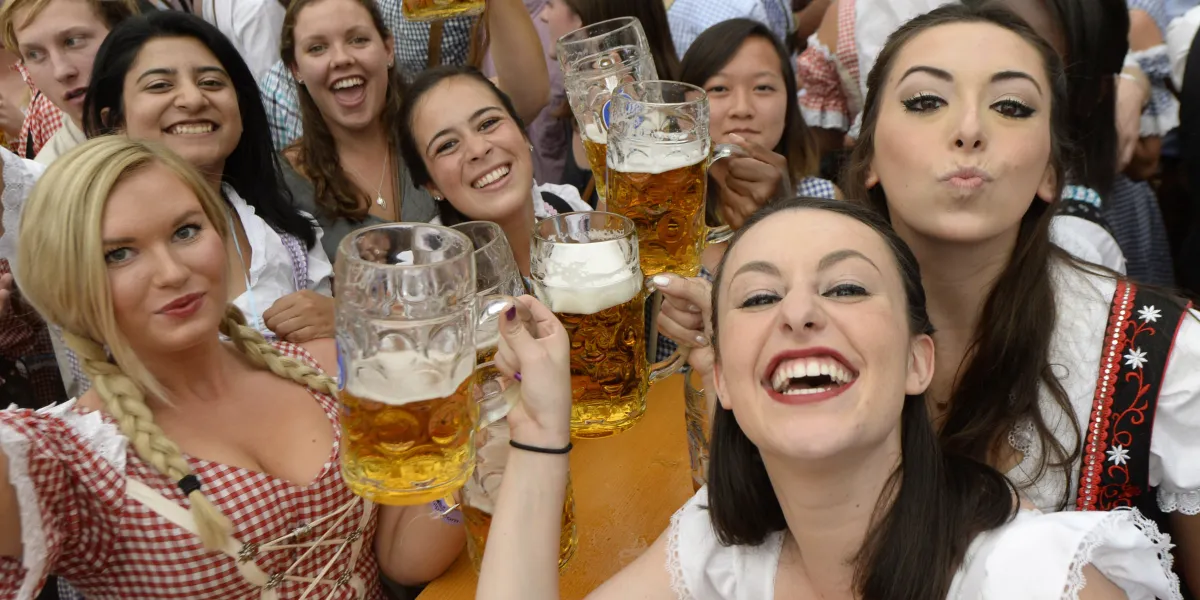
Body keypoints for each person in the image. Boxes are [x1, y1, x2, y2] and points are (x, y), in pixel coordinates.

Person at [475, 197, 1180, 599]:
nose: (799, 312)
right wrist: (539, 432)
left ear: (916, 361)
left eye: (845, 287)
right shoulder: (726, 552)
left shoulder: (1029, 583)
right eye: (757, 295)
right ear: (721, 380)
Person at [0, 136, 464, 599]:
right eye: (118, 253)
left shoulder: (319, 365)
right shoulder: (75, 461)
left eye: (185, 231)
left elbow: (406, 557)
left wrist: (471, 412)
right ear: (67, 283)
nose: (172, 272)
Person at [84, 11, 334, 345]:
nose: (193, 99)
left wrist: (341, 321)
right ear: (115, 121)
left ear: (241, 110)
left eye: (211, 82)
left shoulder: (289, 234)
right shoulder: (89, 245)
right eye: (160, 85)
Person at [282, 0, 549, 260]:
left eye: (358, 39)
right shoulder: (283, 181)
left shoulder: (434, 120)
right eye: (317, 48)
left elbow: (526, 96)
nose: (341, 59)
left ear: (388, 48)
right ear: (296, 69)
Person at [399, 66, 590, 278]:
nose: (478, 149)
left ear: (523, 134)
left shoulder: (568, 208)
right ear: (432, 185)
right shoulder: (428, 281)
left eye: (488, 123)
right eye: (447, 145)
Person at [539, 0, 681, 207]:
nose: (543, 15)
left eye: (550, 4)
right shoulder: (578, 110)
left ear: (581, 21)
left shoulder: (677, 115)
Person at [0, 0, 141, 165]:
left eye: (73, 41)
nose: (61, 71)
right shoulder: (50, 176)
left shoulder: (175, 121)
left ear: (125, 32)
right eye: (35, 54)